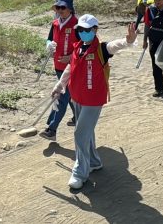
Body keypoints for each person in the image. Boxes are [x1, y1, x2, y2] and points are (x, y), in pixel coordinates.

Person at [51, 15, 138, 189]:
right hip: (77, 97)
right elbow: (70, 68)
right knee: (87, 133)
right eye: (80, 30)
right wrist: (60, 85)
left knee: (80, 134)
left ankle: (80, 173)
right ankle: (94, 162)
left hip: (93, 100)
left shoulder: (101, 49)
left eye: (87, 29)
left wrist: (128, 41)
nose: (83, 32)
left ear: (95, 30)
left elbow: (115, 45)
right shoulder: (77, 47)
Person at [40, 0, 79, 140]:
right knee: (69, 95)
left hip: (72, 67)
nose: (60, 10)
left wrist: (71, 56)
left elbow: (84, 46)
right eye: (58, 7)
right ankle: (78, 117)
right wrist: (48, 45)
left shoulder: (77, 25)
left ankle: (52, 129)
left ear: (70, 9)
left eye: (63, 7)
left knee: (61, 95)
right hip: (58, 65)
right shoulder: (55, 23)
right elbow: (49, 38)